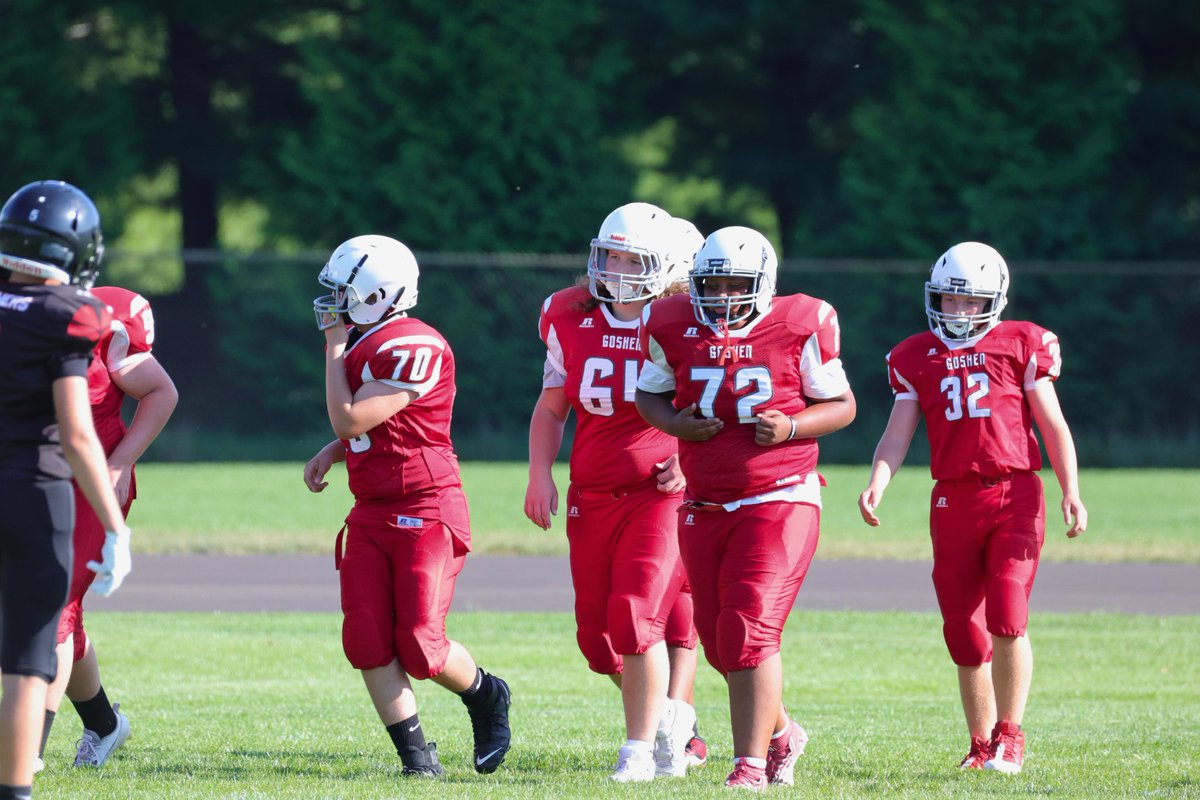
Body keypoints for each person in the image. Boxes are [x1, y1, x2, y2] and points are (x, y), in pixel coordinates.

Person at [636, 226, 856, 790]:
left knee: (748, 629)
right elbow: (649, 393)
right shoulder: (671, 322)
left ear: (763, 283)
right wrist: (673, 424)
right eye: (713, 285)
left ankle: (750, 766)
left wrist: (792, 427)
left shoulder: (798, 322)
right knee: (719, 643)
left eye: (736, 285)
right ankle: (782, 733)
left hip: (780, 495)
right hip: (705, 499)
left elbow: (843, 405)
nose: (723, 297)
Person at [858, 241, 1086, 775]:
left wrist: (1070, 489)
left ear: (995, 300)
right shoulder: (916, 355)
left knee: (1007, 612)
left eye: (969, 303)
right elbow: (897, 433)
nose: (956, 312)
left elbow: (1052, 424)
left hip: (1015, 492)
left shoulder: (1021, 342)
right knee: (962, 627)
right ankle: (980, 744)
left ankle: (1011, 734)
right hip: (952, 498)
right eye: (948, 300)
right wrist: (878, 480)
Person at [303, 235, 512, 779]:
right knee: (366, 636)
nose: (334, 301)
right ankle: (417, 761)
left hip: (426, 507)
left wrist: (332, 348)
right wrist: (337, 452)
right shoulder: (370, 338)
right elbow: (376, 428)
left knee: (420, 642)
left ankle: (487, 695)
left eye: (344, 291)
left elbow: (351, 418)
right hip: (372, 508)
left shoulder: (413, 343)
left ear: (377, 294)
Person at [523, 204, 707, 782]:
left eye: (634, 259)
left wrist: (686, 459)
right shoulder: (566, 313)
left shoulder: (683, 320)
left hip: (660, 494)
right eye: (611, 255)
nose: (617, 269)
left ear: (668, 266)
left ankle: (639, 749)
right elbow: (553, 406)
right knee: (598, 641)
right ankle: (674, 722)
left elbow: (716, 405)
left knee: (636, 619)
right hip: (592, 493)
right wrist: (538, 472)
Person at [0, 180, 132, 800]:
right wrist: (115, 525)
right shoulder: (72, 314)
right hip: (34, 492)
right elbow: (79, 436)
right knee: (27, 664)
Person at [37, 281, 177, 771]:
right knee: (55, 616)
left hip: (88, 485)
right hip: (25, 481)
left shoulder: (105, 319)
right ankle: (102, 723)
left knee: (51, 612)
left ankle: (24, 755)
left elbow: (161, 391)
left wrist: (118, 464)